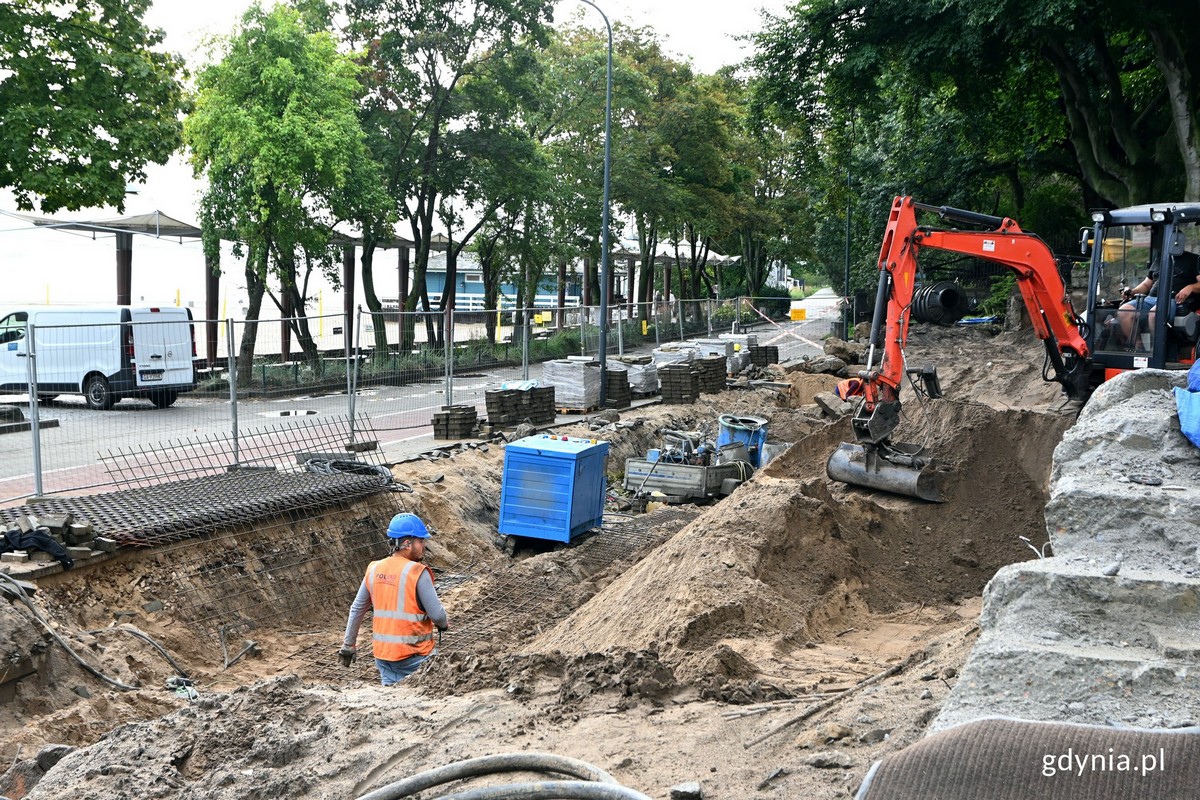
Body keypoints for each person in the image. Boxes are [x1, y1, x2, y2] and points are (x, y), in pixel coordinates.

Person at [339, 512, 449, 686]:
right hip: (416, 657)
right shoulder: (417, 572)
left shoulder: (374, 569)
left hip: (384, 657)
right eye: (421, 541)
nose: (424, 545)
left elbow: (357, 608)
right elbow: (437, 615)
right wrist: (443, 624)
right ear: (407, 544)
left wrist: (348, 645)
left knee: (391, 695)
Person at [1117, 236, 1200, 347]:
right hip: (1150, 299)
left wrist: (1190, 287)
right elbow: (1146, 284)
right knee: (1123, 311)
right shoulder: (1159, 259)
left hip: (1173, 299)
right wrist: (1132, 291)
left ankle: (1155, 349)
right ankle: (1138, 345)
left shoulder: (1193, 259)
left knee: (1155, 314)